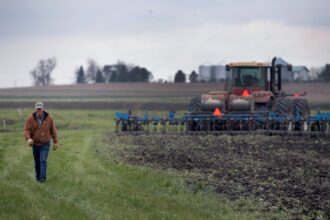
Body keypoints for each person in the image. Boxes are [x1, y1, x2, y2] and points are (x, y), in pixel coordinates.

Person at [24, 101, 58, 183]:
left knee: (43, 160)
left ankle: (42, 178)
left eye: (40, 109)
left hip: (45, 143)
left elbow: (53, 130)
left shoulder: (49, 118)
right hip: (35, 144)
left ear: (43, 109)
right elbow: (26, 130)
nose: (39, 110)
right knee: (37, 161)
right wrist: (28, 138)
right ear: (35, 109)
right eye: (37, 109)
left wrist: (55, 141)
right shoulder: (30, 118)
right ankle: (38, 176)